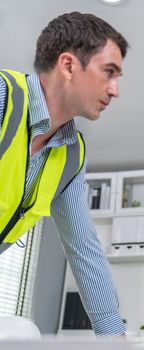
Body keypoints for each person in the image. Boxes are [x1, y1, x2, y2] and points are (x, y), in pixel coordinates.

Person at [0, 12, 129, 337]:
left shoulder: (72, 154)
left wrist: (114, 339)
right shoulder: (4, 97)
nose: (115, 90)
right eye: (108, 73)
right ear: (69, 65)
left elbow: (83, 248)